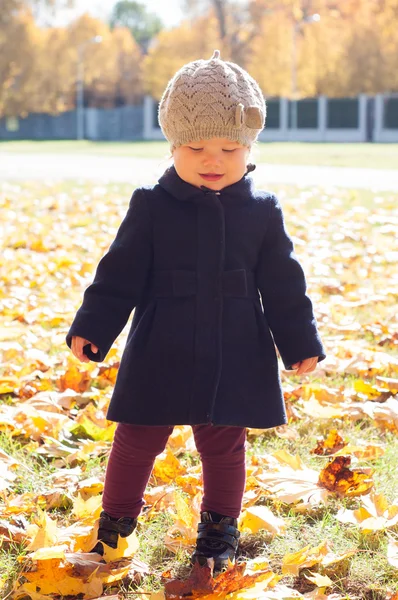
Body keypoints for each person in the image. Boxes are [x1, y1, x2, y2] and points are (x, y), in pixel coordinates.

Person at [66, 49, 326, 574]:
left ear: (250, 145)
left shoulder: (261, 209)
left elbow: (282, 282)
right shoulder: (152, 203)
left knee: (224, 443)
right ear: (171, 144)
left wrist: (299, 342)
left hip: (234, 346)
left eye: (230, 147)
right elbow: (119, 272)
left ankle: (218, 532)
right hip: (162, 341)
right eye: (196, 146)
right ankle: (114, 526)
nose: (214, 159)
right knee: (136, 438)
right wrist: (94, 327)